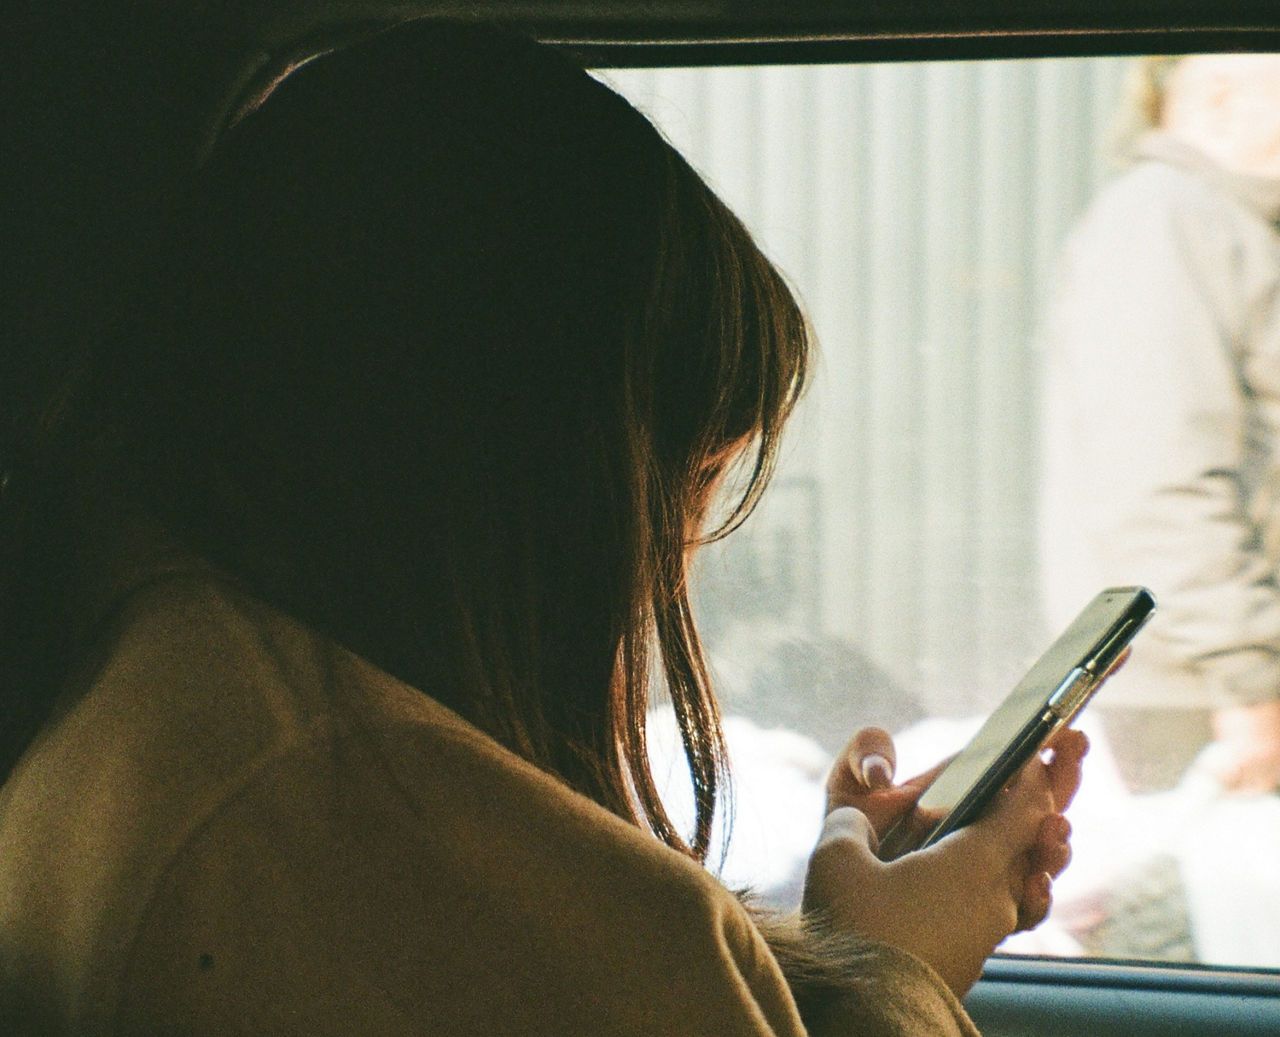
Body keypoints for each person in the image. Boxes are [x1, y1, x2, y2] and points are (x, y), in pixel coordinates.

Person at [0, 17, 1084, 1035]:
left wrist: (846, 951)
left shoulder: (166, 697)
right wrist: (892, 976)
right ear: (530, 482)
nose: (666, 576)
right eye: (674, 495)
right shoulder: (358, 820)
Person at [1040, 54, 1280, 796]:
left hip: (1214, 673)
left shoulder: (1220, 222)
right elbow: (1160, 482)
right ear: (1220, 94)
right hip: (1207, 693)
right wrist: (1250, 683)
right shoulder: (1171, 217)